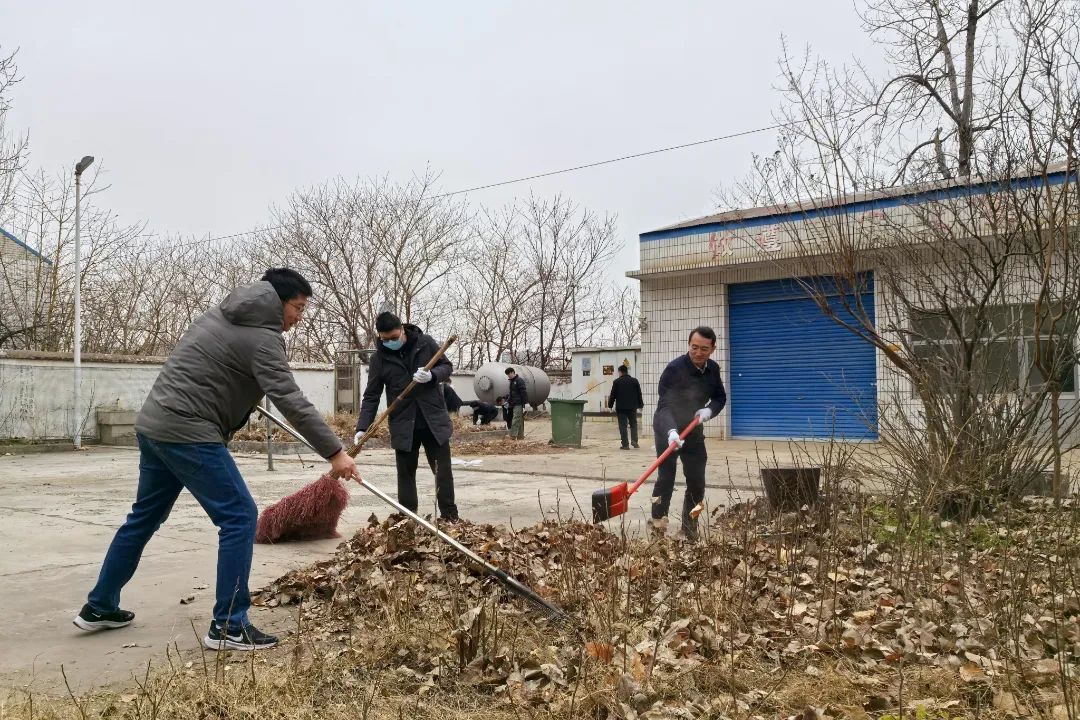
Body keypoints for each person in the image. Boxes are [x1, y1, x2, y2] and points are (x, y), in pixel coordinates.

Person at [75, 269, 361, 652]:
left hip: (155, 425)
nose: (299, 316)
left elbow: (214, 372)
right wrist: (335, 452)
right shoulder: (264, 338)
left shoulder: (221, 314)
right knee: (240, 516)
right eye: (298, 307)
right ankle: (229, 624)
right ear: (278, 301)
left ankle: (100, 606)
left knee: (144, 516)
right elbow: (291, 399)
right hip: (189, 433)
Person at [354, 312, 459, 521]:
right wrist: (362, 427)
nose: (390, 342)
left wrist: (432, 376)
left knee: (443, 472)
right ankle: (408, 520)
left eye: (394, 337)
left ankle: (450, 517)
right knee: (405, 475)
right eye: (385, 340)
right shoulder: (380, 359)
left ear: (402, 329)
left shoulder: (425, 343)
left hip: (433, 421)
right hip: (403, 424)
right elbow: (371, 395)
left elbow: (446, 366)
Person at [652, 326, 727, 540]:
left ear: (712, 349)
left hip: (693, 430)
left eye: (704, 348)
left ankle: (690, 525)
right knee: (666, 479)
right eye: (694, 347)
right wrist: (671, 431)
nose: (698, 353)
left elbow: (720, 398)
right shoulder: (674, 369)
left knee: (697, 482)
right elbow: (664, 404)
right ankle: (658, 526)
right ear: (689, 345)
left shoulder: (713, 369)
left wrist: (709, 411)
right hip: (668, 429)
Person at [607, 364, 644, 449]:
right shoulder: (634, 381)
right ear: (627, 371)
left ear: (620, 372)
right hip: (632, 407)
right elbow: (639, 394)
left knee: (623, 426)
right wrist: (640, 405)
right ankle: (634, 441)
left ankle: (625, 444)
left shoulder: (616, 382)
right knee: (633, 424)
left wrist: (610, 406)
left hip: (621, 408)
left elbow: (613, 395)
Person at [505, 367, 528, 439]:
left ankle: (512, 435)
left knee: (515, 418)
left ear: (512, 372)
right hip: (514, 403)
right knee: (519, 419)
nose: (508, 375)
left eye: (509, 374)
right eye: (507, 374)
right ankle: (520, 436)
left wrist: (526, 403)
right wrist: (508, 401)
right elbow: (512, 393)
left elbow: (523, 392)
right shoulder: (512, 381)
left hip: (519, 403)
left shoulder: (519, 380)